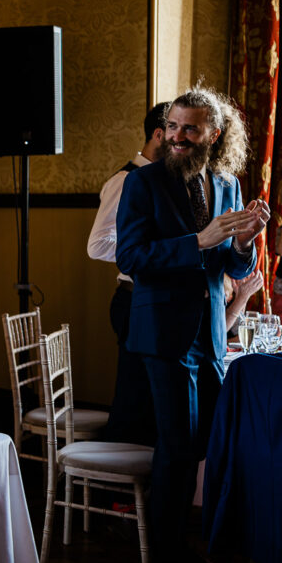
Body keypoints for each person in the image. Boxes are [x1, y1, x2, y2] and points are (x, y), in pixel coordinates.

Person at [116, 85, 270, 563]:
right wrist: (196, 241)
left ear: (214, 135)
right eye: (172, 126)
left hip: (208, 332)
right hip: (162, 332)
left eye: (189, 129)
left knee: (205, 442)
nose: (176, 137)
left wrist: (243, 242)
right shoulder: (142, 184)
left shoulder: (226, 184)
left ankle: (186, 537)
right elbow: (131, 258)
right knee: (177, 445)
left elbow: (229, 262)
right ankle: (165, 552)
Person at [87, 102, 169, 446]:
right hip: (133, 301)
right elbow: (97, 244)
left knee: (151, 398)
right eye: (178, 131)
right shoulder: (125, 181)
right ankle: (119, 492)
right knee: (133, 396)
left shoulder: (164, 180)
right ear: (159, 134)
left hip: (154, 302)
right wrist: (143, 255)